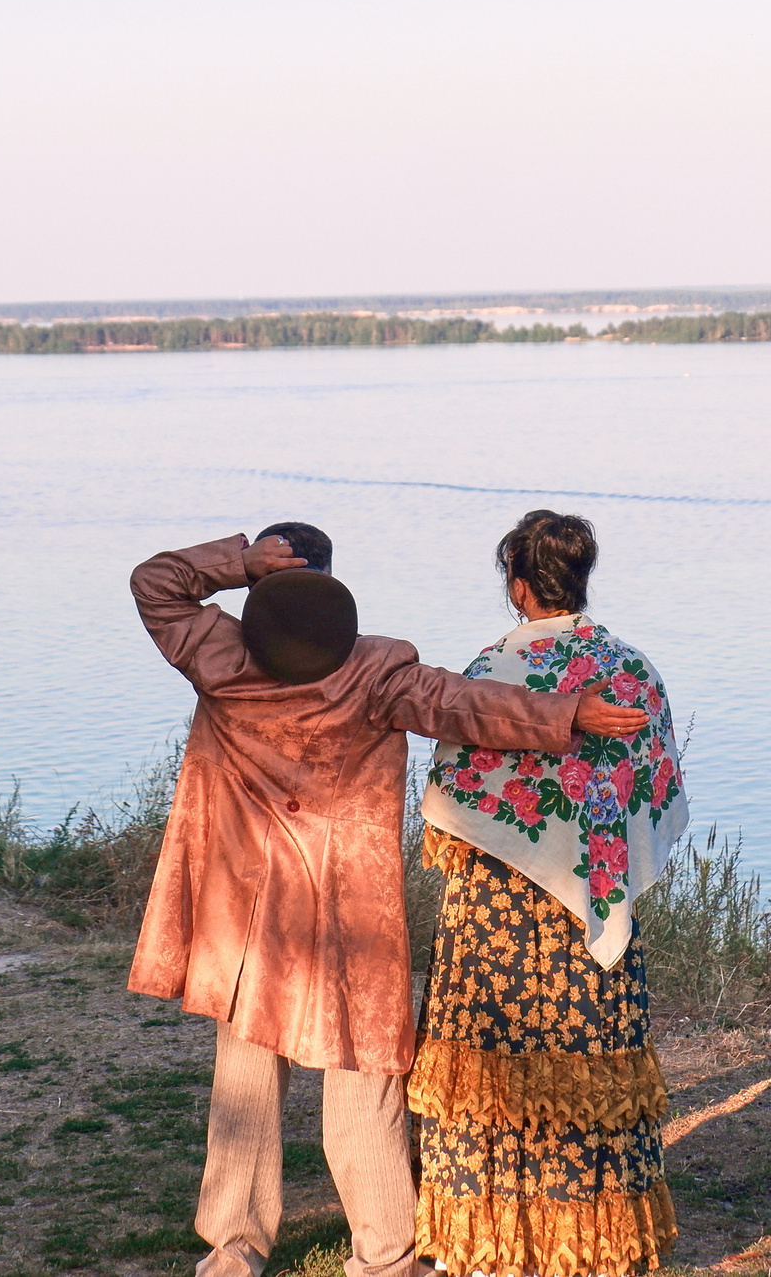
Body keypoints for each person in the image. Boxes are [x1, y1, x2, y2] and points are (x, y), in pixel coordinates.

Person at [128, 528, 650, 1277]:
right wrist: (568, 716)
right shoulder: (373, 668)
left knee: (245, 1081)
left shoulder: (220, 653)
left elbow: (155, 582)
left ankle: (235, 1252)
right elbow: (465, 705)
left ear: (262, 588)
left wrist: (237, 562)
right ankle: (385, 1256)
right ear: (333, 583)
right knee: (363, 1083)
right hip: (346, 915)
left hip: (244, 916)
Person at [411, 511, 691, 1277]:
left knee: (491, 1067)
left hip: (494, 910)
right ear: (581, 577)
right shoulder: (634, 671)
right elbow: (655, 794)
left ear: (519, 584)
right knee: (586, 1066)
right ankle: (596, 1246)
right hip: (590, 912)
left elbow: (452, 797)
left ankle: (487, 1244)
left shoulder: (492, 667)